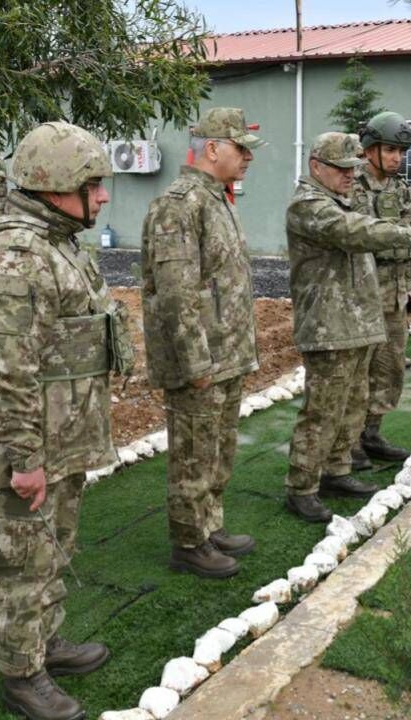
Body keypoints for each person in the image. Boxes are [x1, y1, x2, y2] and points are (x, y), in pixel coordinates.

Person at [0, 121, 134, 720]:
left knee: (52, 550)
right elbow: (4, 372)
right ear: (57, 184)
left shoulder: (56, 243)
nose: (104, 196)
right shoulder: (20, 258)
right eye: (94, 185)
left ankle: (45, 641)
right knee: (19, 563)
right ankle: (21, 674)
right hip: (27, 446)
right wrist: (25, 459)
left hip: (60, 438)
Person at [284, 131, 411, 523]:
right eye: (342, 168)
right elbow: (356, 231)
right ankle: (301, 488)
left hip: (357, 320)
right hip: (328, 325)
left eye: (354, 168)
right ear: (316, 167)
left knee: (352, 404)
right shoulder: (309, 204)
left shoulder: (342, 200)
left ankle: (336, 471)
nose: (350, 175)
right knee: (322, 410)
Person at [140, 108, 265, 579]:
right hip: (202, 360)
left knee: (218, 449)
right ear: (212, 149)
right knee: (193, 453)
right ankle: (189, 542)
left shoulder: (217, 199)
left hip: (226, 354)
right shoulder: (180, 205)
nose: (249, 157)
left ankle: (210, 525)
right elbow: (176, 293)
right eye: (241, 148)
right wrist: (196, 364)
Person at [350, 110, 411, 465]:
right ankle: (347, 442)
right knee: (356, 371)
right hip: (360, 295)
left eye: (402, 152)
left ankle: (371, 433)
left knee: (389, 368)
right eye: (390, 150)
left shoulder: (401, 189)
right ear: (369, 149)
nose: (397, 158)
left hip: (394, 293)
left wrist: (409, 284)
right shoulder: (350, 186)